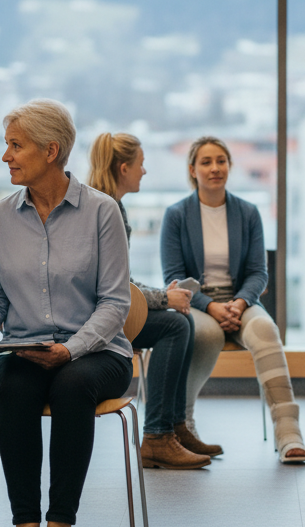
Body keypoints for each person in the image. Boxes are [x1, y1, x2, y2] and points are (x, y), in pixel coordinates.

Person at [0, 100, 133, 527]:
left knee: (73, 384)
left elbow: (115, 303)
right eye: (7, 145)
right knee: (15, 385)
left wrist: (70, 350)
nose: (6, 156)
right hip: (22, 348)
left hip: (97, 351)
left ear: (51, 151)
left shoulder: (101, 212)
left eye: (16, 146)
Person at [160, 136, 305, 463]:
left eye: (221, 161)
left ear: (230, 166)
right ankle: (183, 424)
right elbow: (173, 276)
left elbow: (258, 272)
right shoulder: (176, 215)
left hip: (240, 301)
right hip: (197, 303)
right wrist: (211, 306)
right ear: (192, 170)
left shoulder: (248, 212)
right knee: (208, 334)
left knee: (266, 330)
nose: (215, 168)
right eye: (206, 162)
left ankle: (288, 432)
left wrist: (239, 303)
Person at [87, 131, 217, 469]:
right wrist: (164, 298)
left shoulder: (105, 204)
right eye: (141, 164)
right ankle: (158, 436)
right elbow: (114, 286)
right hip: (95, 317)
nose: (144, 171)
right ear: (124, 168)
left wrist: (164, 296)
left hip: (102, 308)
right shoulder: (108, 209)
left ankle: (174, 427)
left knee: (180, 319)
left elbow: (121, 280)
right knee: (175, 325)